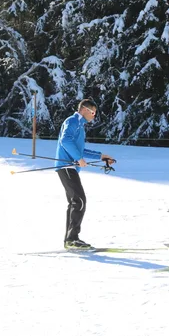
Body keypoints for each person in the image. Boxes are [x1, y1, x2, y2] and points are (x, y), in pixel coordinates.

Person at [55, 98, 115, 249]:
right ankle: (72, 239)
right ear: (84, 110)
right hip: (67, 166)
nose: (94, 116)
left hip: (70, 167)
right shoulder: (73, 121)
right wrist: (78, 158)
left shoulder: (80, 126)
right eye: (93, 112)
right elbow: (65, 140)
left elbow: (81, 150)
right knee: (79, 201)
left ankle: (69, 239)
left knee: (75, 202)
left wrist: (102, 156)